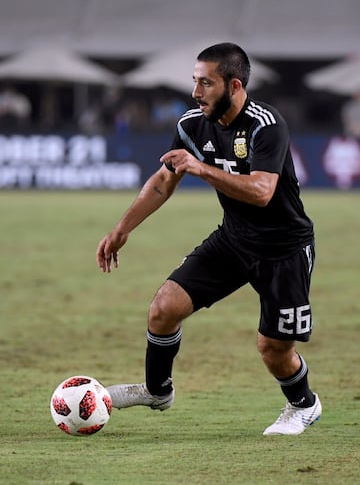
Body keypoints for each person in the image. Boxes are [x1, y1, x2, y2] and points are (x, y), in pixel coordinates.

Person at [96, 43, 322, 436]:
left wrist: (200, 168)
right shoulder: (191, 124)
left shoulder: (266, 125)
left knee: (273, 350)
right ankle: (156, 390)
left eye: (206, 83)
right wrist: (122, 228)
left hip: (284, 249)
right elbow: (164, 181)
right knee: (163, 309)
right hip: (234, 240)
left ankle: (304, 404)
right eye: (194, 81)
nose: (196, 92)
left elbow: (262, 191)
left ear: (234, 85)